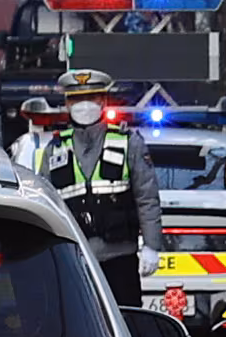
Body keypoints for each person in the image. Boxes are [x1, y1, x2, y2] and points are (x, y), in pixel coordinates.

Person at [35, 66, 158, 316]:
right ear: (67, 105)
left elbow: (147, 197)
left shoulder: (128, 142)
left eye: (90, 99)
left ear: (103, 101)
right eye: (77, 100)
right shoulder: (55, 148)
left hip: (119, 256)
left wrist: (152, 246)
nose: (84, 106)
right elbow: (43, 202)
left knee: (128, 320)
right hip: (74, 258)